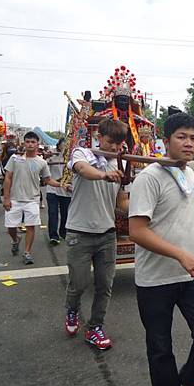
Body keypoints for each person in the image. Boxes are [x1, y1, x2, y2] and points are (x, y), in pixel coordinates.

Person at [129, 113, 194, 386]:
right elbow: (137, 230)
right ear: (165, 141)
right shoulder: (148, 178)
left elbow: (177, 211)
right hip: (156, 279)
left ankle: (192, 379)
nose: (189, 143)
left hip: (192, 274)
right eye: (181, 137)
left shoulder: (189, 174)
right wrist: (180, 254)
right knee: (160, 344)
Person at [63, 119, 129, 350]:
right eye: (110, 142)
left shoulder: (119, 164)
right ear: (99, 136)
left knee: (104, 285)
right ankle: (72, 310)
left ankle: (95, 327)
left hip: (107, 234)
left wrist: (148, 211)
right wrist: (103, 175)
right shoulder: (83, 153)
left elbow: (122, 201)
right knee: (79, 283)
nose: (113, 148)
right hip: (79, 233)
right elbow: (82, 170)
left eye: (118, 144)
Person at [3, 131, 68, 265]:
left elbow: (48, 180)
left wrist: (62, 185)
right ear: (24, 143)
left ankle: (27, 252)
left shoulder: (42, 162)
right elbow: (8, 178)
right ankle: (15, 240)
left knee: (30, 227)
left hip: (32, 200)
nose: (30, 144)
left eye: (33, 142)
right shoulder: (15, 158)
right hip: (15, 199)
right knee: (11, 227)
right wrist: (6, 198)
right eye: (28, 142)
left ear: (38, 144)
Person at [46, 139, 72, 245]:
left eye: (67, 145)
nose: (65, 147)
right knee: (53, 213)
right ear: (59, 146)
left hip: (66, 190)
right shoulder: (52, 158)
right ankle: (53, 236)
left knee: (65, 214)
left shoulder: (73, 159)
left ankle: (63, 232)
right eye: (63, 145)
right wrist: (46, 158)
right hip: (52, 189)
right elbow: (44, 171)